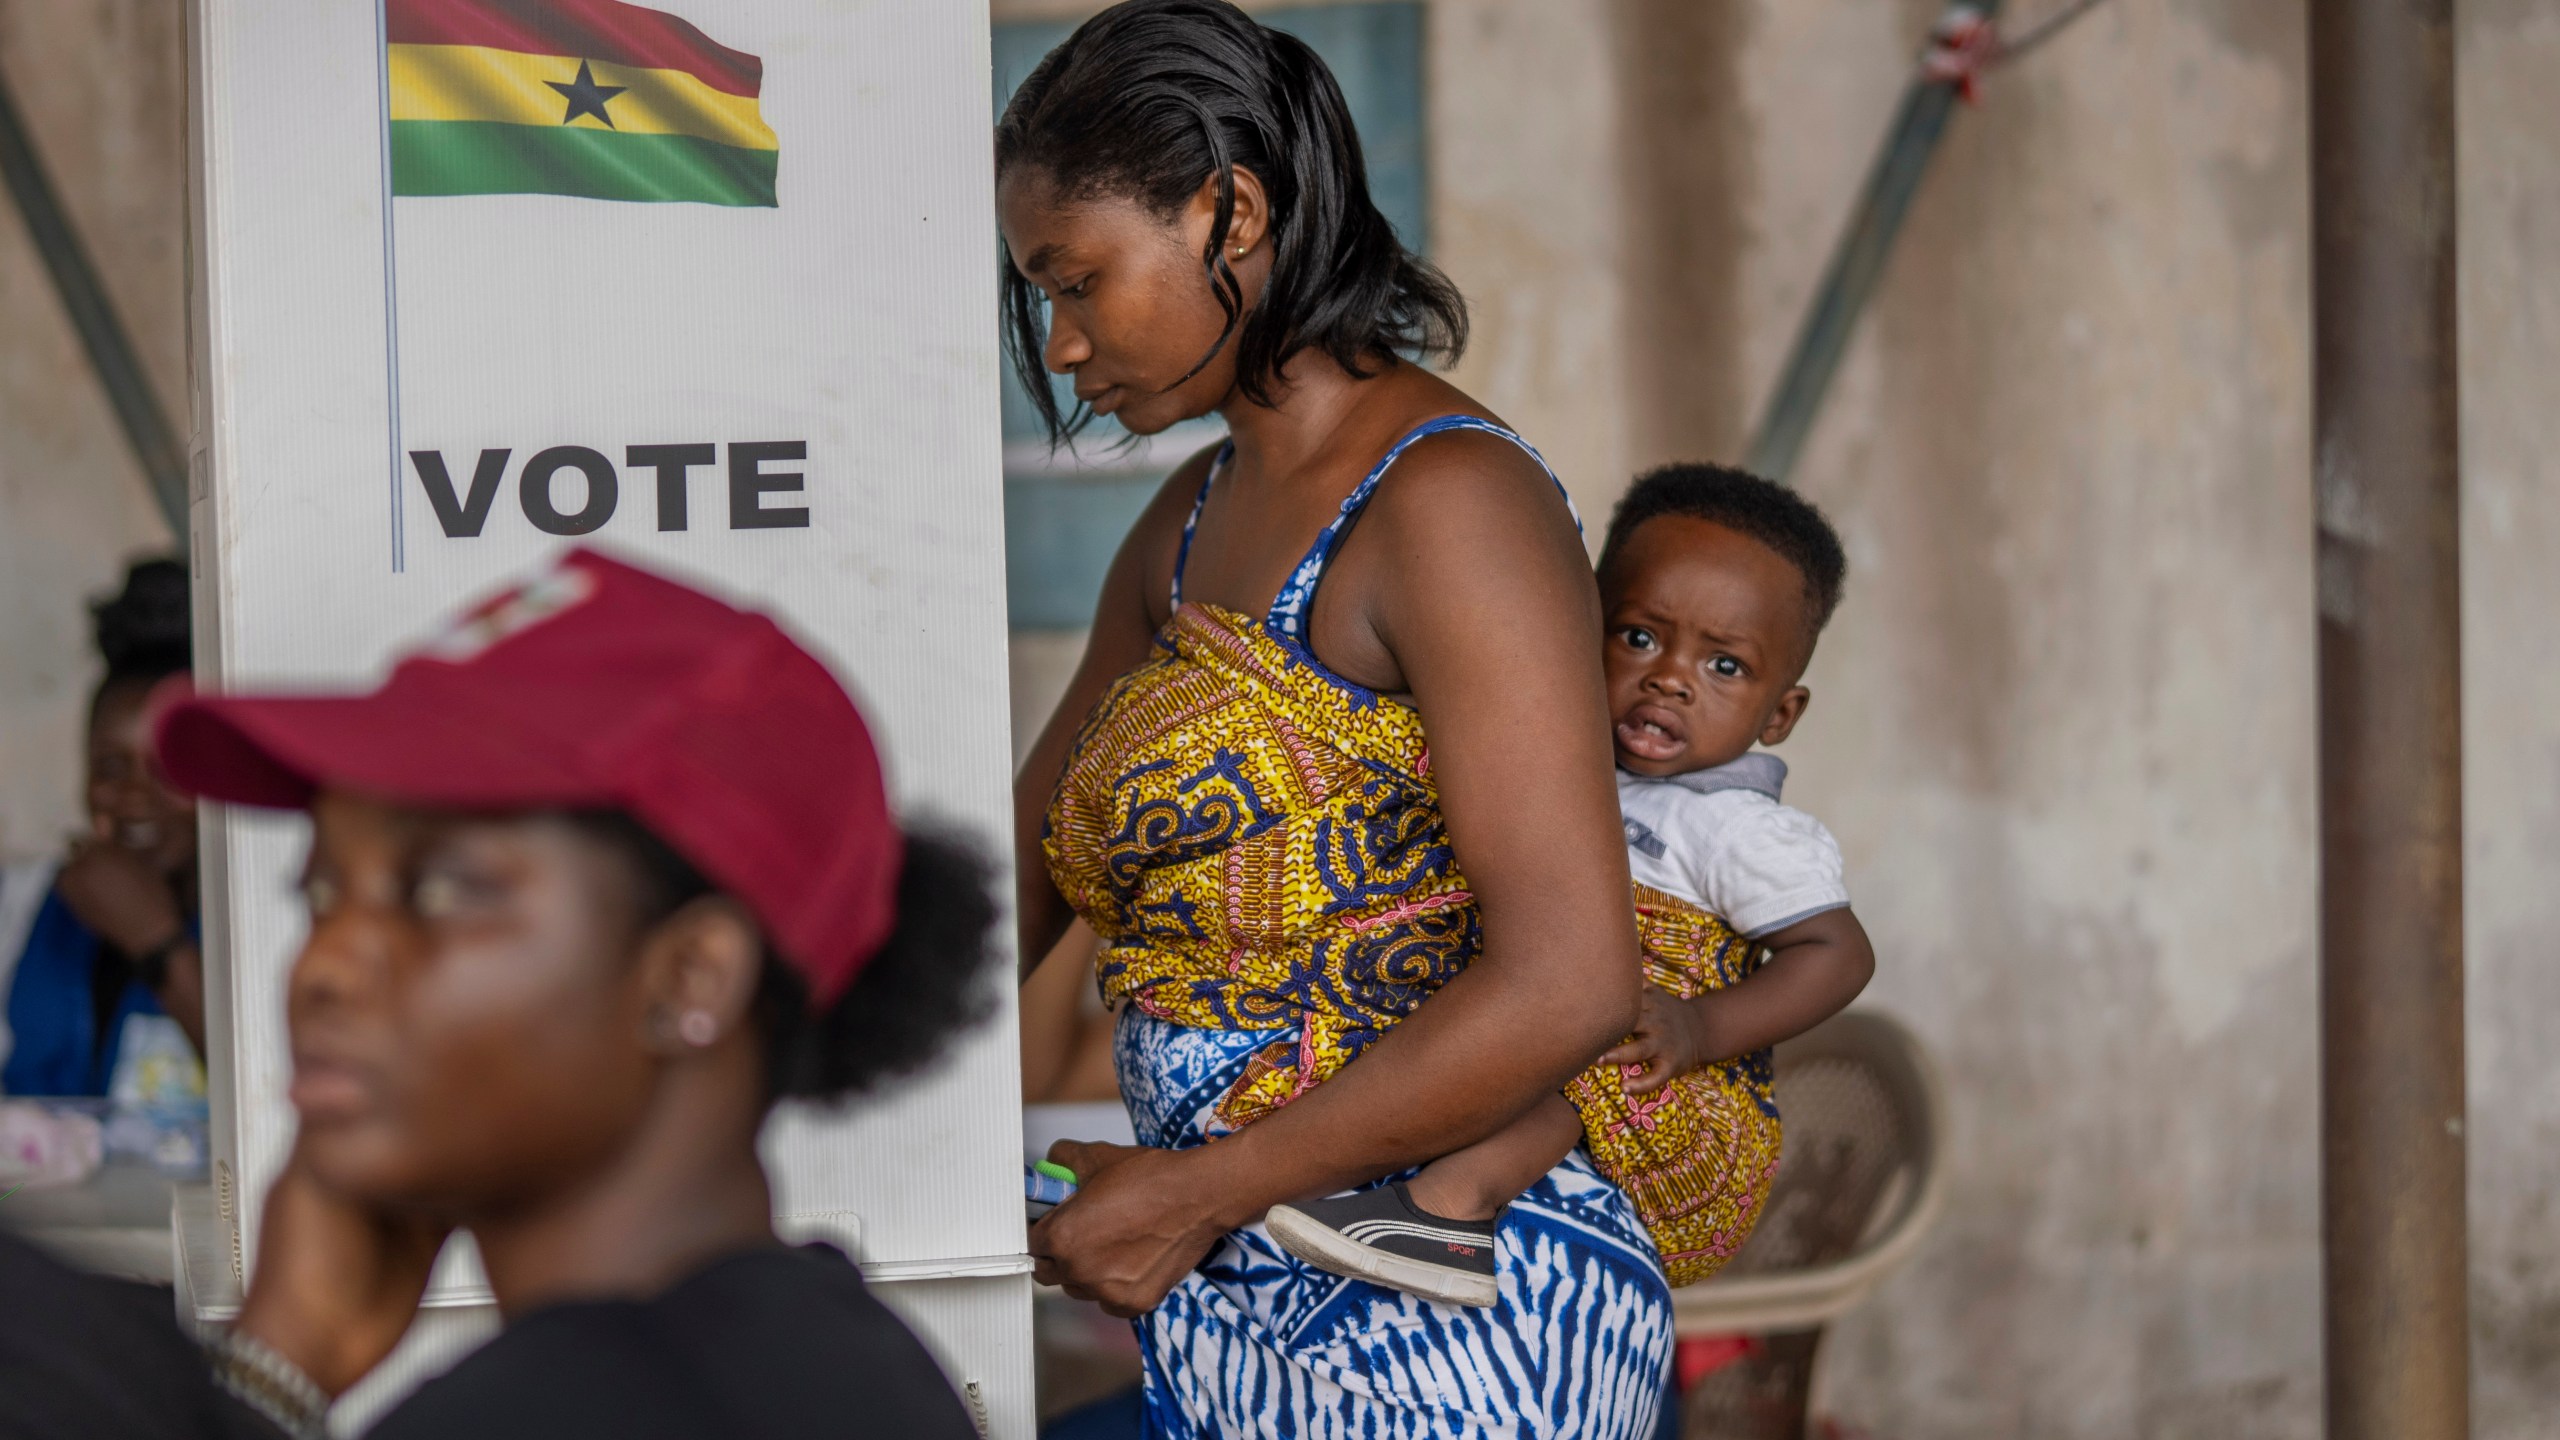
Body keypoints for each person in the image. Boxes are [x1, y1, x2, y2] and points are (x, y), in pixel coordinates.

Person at [1001, 2, 1669, 1433]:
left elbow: (1571, 982)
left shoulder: (1449, 506)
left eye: (1078, 283)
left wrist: (1202, 1187)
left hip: (1459, 1312)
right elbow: (1021, 877)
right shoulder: (1185, 524)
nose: (1059, 347)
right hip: (1233, 1295)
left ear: (1229, 214)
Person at [0, 548, 992, 1440]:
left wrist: (272, 1374)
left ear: (692, 977)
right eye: (322, 894)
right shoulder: (836, 1354)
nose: (328, 963)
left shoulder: (550, 1414)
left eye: (440, 891)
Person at [1262, 464, 1878, 1303]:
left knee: (1582, 1010)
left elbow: (1837, 955)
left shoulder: (1744, 830)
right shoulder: (1558, 765)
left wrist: (1698, 1028)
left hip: (1687, 1112)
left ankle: (1452, 1208)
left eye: (1725, 667)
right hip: (1554, 1051)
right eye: (1638, 637)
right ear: (1578, 626)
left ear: (1779, 715)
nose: (1671, 677)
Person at [0, 557, 208, 1096]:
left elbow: (273, 1097)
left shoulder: (261, 924)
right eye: (110, 768)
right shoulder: (22, 906)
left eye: (167, 768)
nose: (135, 796)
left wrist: (156, 940)